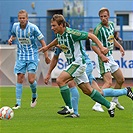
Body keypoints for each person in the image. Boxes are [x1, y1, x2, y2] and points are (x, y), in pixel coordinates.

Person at [39, 14, 120, 118]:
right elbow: (57, 40)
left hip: (78, 63)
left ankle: (69, 108)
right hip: (74, 65)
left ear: (62, 25)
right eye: (52, 25)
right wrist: (47, 47)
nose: (52, 28)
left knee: (60, 80)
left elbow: (91, 36)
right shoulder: (60, 34)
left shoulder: (72, 33)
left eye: (54, 25)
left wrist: (102, 47)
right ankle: (110, 105)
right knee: (88, 91)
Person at [8, 10, 51, 109]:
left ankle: (34, 95)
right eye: (20, 18)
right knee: (20, 77)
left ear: (27, 18)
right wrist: (11, 39)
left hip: (32, 56)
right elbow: (14, 35)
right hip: (21, 56)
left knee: (31, 80)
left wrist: (46, 56)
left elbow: (42, 41)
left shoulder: (33, 28)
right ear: (18, 18)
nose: (22, 20)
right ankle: (18, 103)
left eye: (23, 18)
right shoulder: (15, 26)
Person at [91, 7, 125, 112]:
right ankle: (97, 104)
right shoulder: (98, 29)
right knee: (108, 82)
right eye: (101, 17)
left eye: (105, 16)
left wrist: (119, 46)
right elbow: (93, 45)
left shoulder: (111, 25)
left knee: (120, 79)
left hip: (110, 57)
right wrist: (102, 56)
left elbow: (112, 38)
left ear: (108, 16)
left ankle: (115, 100)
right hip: (102, 58)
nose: (103, 18)